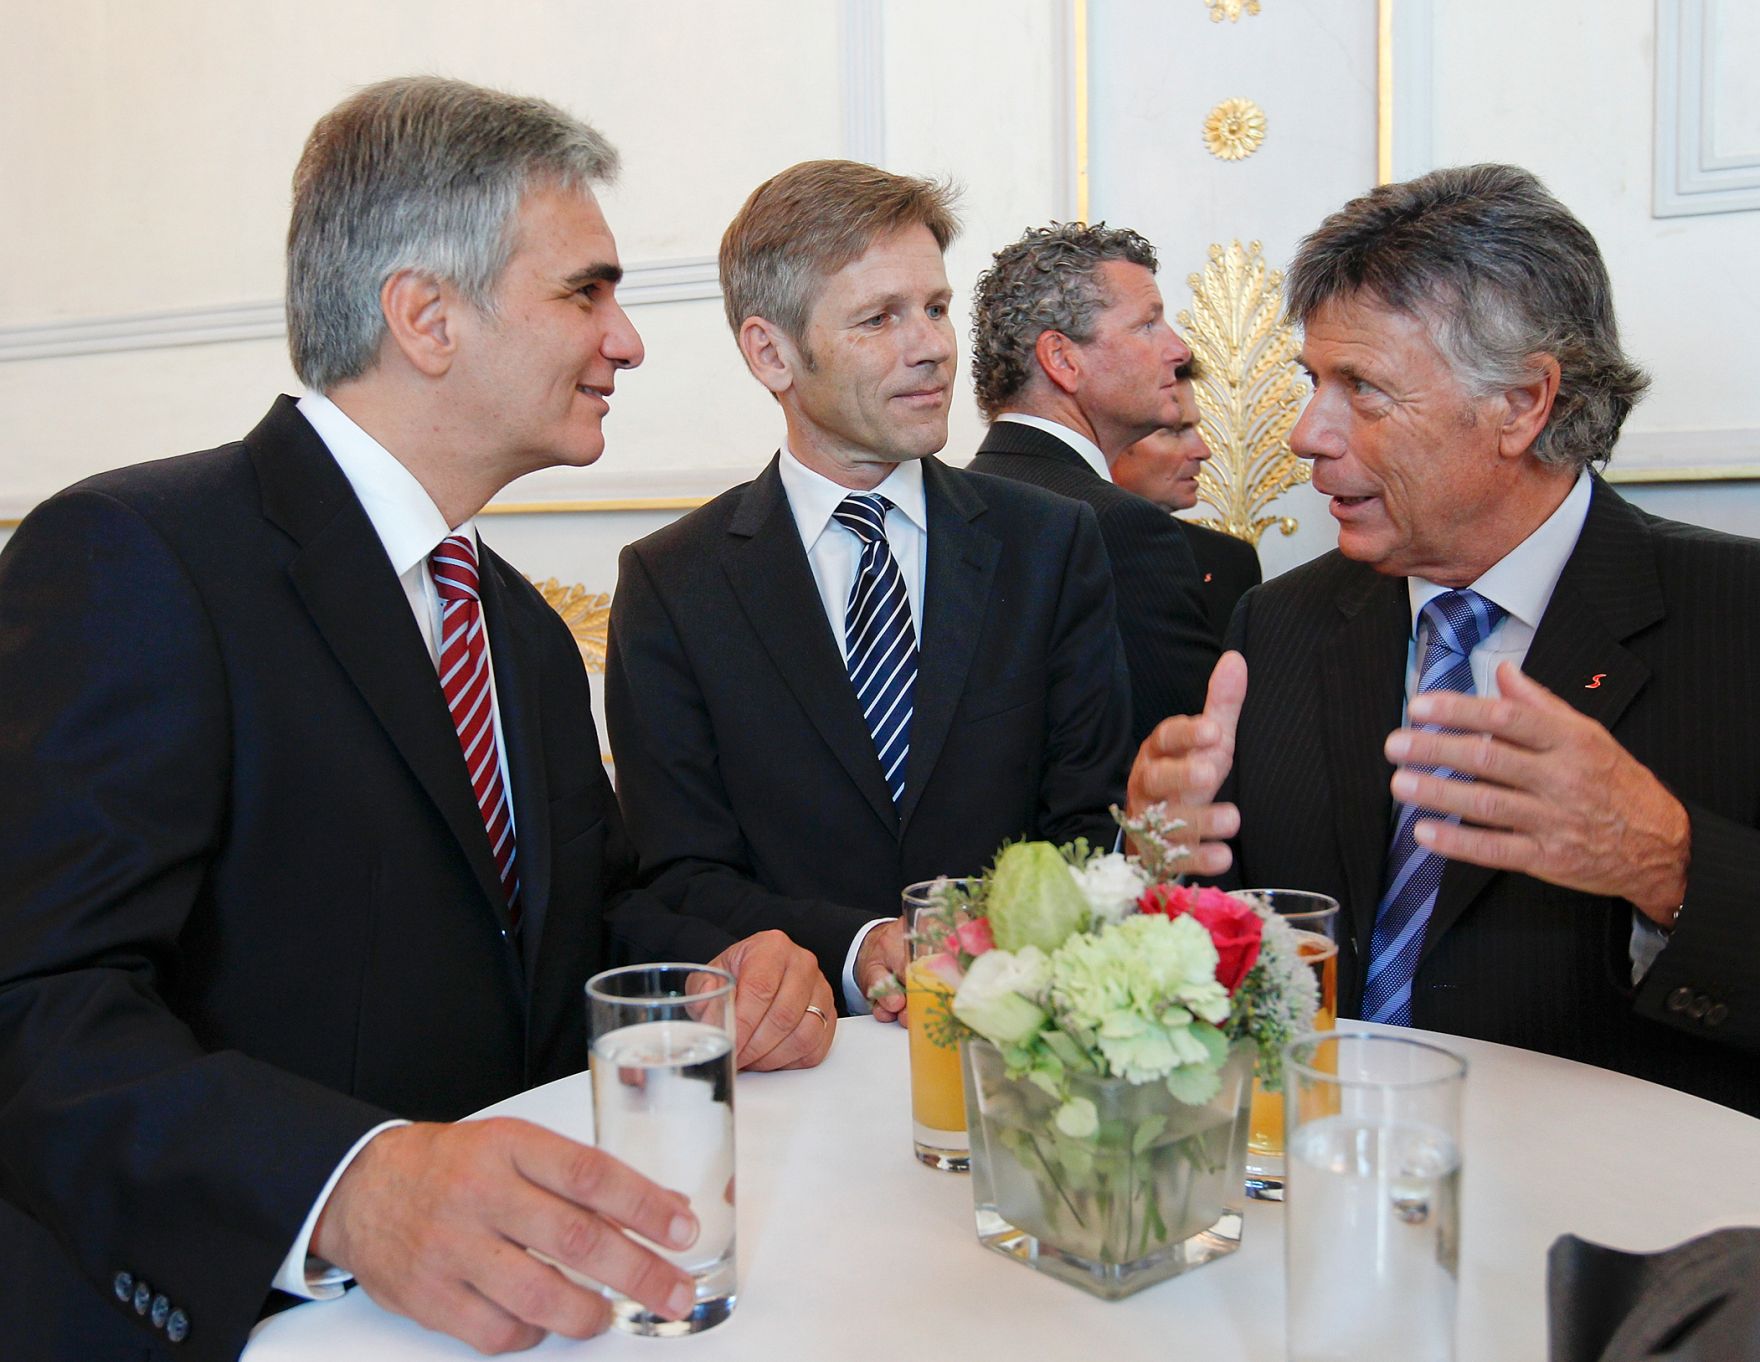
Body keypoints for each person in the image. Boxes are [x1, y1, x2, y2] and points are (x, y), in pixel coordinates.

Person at [0, 77, 835, 1362]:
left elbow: (579, 920)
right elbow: (37, 1006)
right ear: (425, 316)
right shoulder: (134, 557)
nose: (628, 341)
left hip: (502, 1310)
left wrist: (724, 968)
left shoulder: (520, 626)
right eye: (584, 291)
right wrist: (347, 1185)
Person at [1130, 164, 1760, 1114]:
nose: (1305, 432)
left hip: (1615, 1228)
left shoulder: (1738, 616)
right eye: (1313, 380)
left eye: (1364, 389)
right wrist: (1158, 856)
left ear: (1522, 404)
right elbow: (1233, 958)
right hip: (1320, 1188)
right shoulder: (1282, 622)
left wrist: (1663, 860)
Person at [604, 162, 1135, 1020]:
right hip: (795, 1073)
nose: (930, 346)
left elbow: (1087, 823)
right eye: (879, 318)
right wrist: (858, 948)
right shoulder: (674, 581)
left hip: (1015, 1057)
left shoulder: (1050, 543)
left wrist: (976, 955)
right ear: (770, 352)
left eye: (934, 307)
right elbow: (680, 875)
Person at [966, 222, 1219, 739]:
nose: (1179, 349)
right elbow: (1184, 759)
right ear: (1062, 360)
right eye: (1148, 325)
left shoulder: (951, 506)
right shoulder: (1119, 528)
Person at [1113, 363, 1262, 640]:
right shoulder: (1060, 549)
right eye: (1176, 430)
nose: (1203, 451)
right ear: (1110, 436)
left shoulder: (1231, 561)